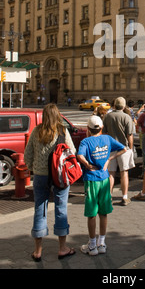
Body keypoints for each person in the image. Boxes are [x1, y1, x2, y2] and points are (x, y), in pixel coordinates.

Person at [24, 103, 76, 261]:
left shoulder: (36, 131)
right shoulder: (62, 131)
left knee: (40, 209)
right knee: (61, 208)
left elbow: (28, 155)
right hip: (59, 176)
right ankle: (62, 248)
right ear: (58, 115)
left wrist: (32, 167)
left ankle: (38, 251)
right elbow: (72, 152)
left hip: (40, 176)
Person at [77, 115, 126, 255]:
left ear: (88, 129)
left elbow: (79, 156)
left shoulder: (85, 141)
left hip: (91, 180)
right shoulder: (107, 138)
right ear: (101, 127)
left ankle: (92, 245)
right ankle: (102, 243)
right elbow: (123, 148)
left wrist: (87, 164)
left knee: (91, 213)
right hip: (104, 179)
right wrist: (109, 159)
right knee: (103, 213)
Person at [103, 97, 135, 206]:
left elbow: (104, 133)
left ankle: (109, 196)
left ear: (114, 105)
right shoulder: (127, 117)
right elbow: (129, 135)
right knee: (124, 173)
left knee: (110, 173)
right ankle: (125, 197)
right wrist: (130, 148)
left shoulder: (107, 116)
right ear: (124, 106)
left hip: (111, 148)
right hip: (123, 148)